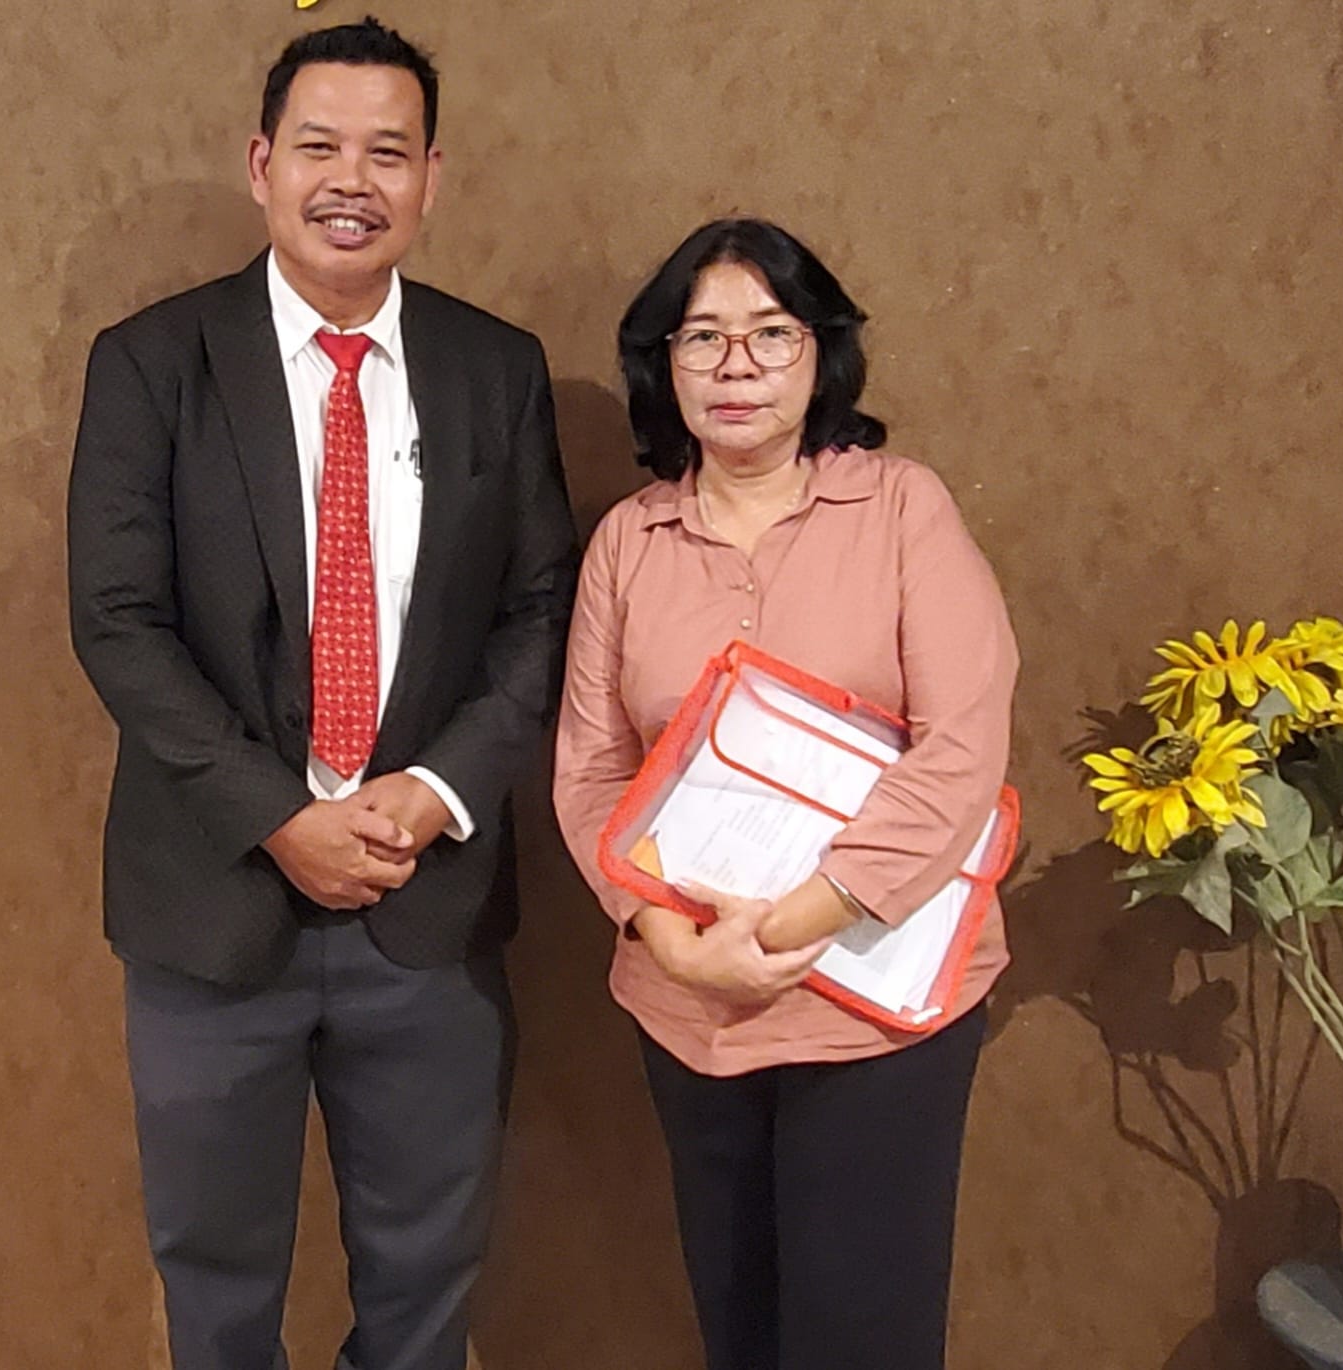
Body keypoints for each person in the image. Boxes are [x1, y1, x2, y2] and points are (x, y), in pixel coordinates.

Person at [66, 18, 577, 1370]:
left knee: (425, 1291)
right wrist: (280, 814)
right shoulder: (153, 362)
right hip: (213, 903)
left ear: (432, 179)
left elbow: (540, 611)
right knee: (216, 1287)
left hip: (429, 904)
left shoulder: (495, 369)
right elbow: (118, 622)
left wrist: (436, 788)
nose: (352, 180)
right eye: (319, 147)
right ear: (261, 165)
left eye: (388, 153)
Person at [552, 218, 1018, 1370]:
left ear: (822, 354)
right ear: (663, 363)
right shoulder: (628, 542)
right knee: (740, 1330)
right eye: (702, 337)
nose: (737, 365)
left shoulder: (902, 508)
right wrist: (670, 937)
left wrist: (797, 921)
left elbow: (961, 745)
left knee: (862, 1337)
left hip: (876, 1002)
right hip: (687, 1001)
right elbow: (592, 769)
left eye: (770, 333)